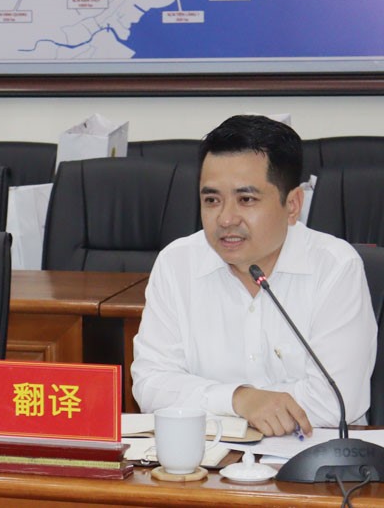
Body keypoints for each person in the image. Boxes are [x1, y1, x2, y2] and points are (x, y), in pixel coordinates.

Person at [132, 115, 376, 436]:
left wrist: (214, 400)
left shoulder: (335, 267)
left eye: (246, 200)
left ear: (292, 205)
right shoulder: (176, 263)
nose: (226, 219)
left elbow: (337, 401)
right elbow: (151, 385)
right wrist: (238, 399)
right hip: (209, 456)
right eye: (212, 200)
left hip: (316, 456)